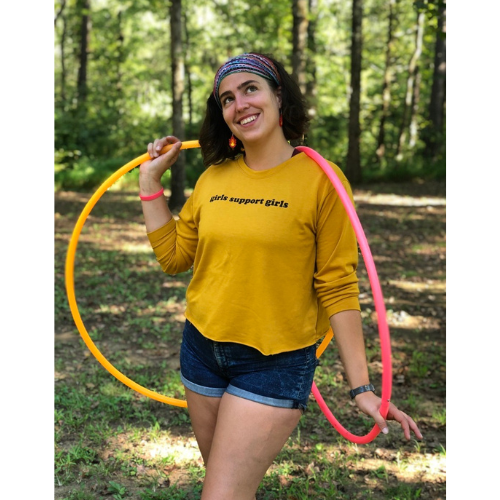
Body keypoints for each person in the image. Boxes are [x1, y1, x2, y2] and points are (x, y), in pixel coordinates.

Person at [139, 52, 422, 500]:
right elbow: (174, 257)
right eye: (227, 98)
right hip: (201, 350)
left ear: (278, 95)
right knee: (229, 488)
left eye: (250, 88)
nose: (240, 104)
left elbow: (338, 285)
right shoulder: (214, 179)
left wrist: (362, 388)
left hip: (274, 363)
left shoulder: (322, 180)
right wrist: (150, 184)